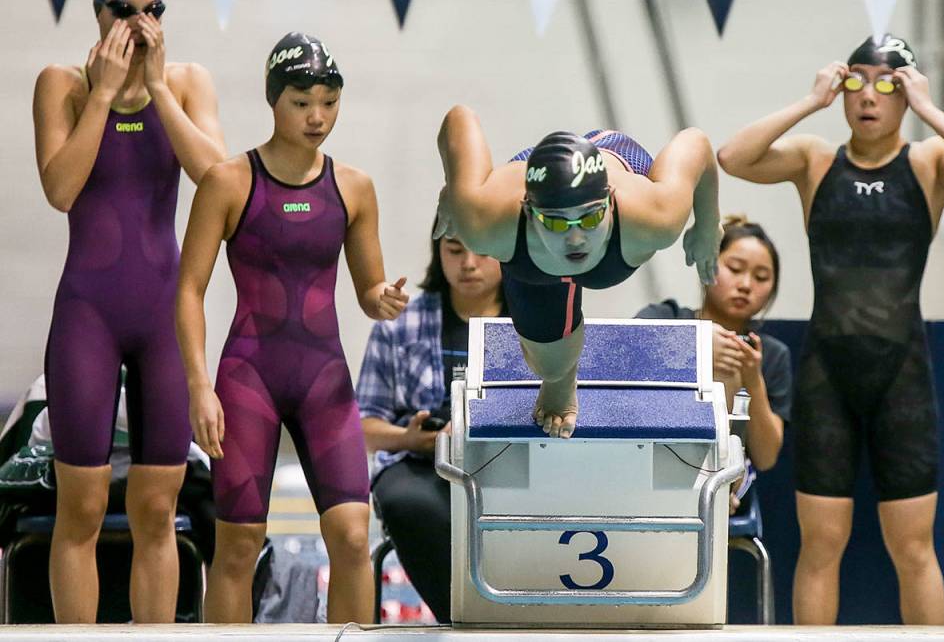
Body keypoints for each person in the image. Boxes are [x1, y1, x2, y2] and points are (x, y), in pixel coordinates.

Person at [717, 34, 944, 625]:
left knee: (913, 549)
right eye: (856, 82)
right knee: (821, 548)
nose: (868, 97)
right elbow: (732, 157)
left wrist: (929, 108)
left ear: (905, 93)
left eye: (886, 84)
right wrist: (809, 101)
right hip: (828, 376)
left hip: (902, 375)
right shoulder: (815, 160)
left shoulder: (927, 164)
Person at [175, 32, 409, 624]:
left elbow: (367, 289)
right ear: (273, 100)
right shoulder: (228, 182)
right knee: (237, 548)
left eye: (329, 101)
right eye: (302, 101)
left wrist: (383, 300)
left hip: (322, 379)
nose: (317, 116)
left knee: (355, 537)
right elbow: (188, 290)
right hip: (247, 375)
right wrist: (200, 387)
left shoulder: (353, 187)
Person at [31, 0, 225, 623]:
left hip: (162, 316)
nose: (139, 24)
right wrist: (108, 94)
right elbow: (60, 188)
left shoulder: (190, 81)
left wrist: (160, 90)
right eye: (124, 10)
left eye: (153, 10)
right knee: (79, 507)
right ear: (97, 12)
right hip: (88, 311)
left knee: (156, 507)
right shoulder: (64, 83)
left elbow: (217, 178)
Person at [434, 105, 721, 439]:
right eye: (556, 222)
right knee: (549, 365)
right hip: (523, 190)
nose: (575, 238)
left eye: (588, 219)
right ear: (528, 211)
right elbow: (459, 117)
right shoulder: (487, 222)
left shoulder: (653, 216)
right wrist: (455, 188)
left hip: (614, 156)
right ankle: (560, 378)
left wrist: (708, 225)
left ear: (609, 201)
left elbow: (696, 143)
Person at [358, 225, 506, 623]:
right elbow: (362, 427)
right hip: (419, 463)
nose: (468, 264)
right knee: (409, 504)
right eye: (455, 251)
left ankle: (515, 616)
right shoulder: (400, 323)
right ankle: (465, 620)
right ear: (438, 253)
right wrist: (412, 438)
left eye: (481, 251)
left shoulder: (536, 328)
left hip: (507, 464)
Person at [636, 214, 790, 512]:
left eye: (761, 277)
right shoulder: (665, 318)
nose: (746, 285)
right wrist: (697, 349)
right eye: (734, 269)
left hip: (727, 484)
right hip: (649, 465)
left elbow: (767, 456)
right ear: (709, 263)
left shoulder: (771, 354)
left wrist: (752, 379)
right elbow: (623, 356)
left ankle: (712, 491)